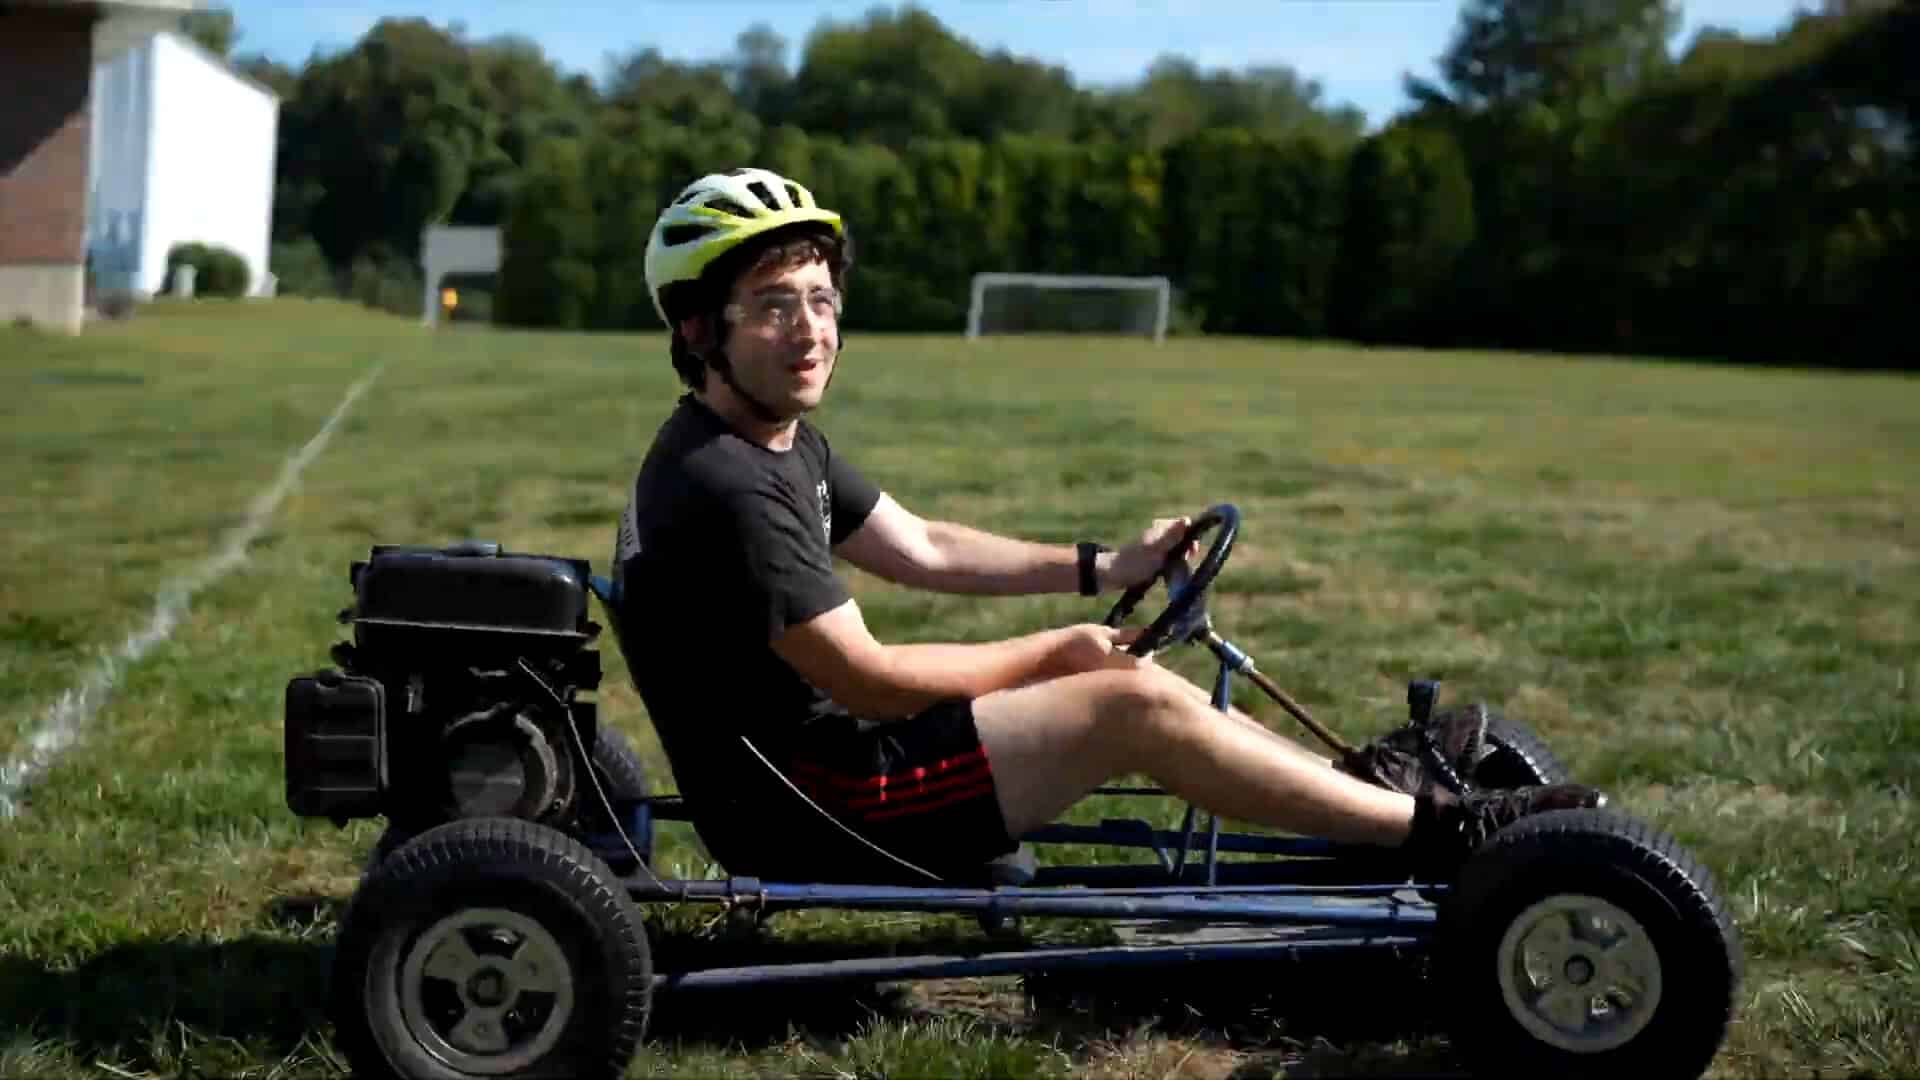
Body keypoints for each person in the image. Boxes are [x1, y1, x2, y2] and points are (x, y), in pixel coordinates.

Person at [611, 167, 1603, 885]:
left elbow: (926, 548)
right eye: (776, 305)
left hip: (823, 771)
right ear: (700, 329)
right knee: (1125, 702)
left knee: (1119, 682)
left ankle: (1362, 802)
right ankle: (1438, 832)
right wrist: (1057, 650)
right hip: (824, 804)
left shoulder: (767, 444)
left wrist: (1104, 566)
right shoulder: (724, 485)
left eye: (822, 300)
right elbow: (864, 676)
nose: (813, 330)